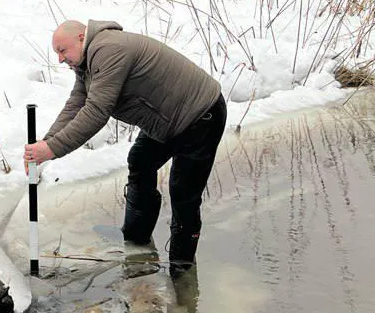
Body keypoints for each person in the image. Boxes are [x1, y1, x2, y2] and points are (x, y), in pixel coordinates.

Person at [24, 21, 226, 274]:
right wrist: (46, 143)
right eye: (57, 53)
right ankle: (135, 239)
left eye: (62, 51)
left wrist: (52, 149)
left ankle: (182, 269)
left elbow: (97, 111)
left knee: (183, 193)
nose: (60, 59)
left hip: (200, 115)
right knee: (141, 160)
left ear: (80, 37)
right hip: (169, 120)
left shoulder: (109, 50)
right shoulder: (87, 61)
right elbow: (78, 102)